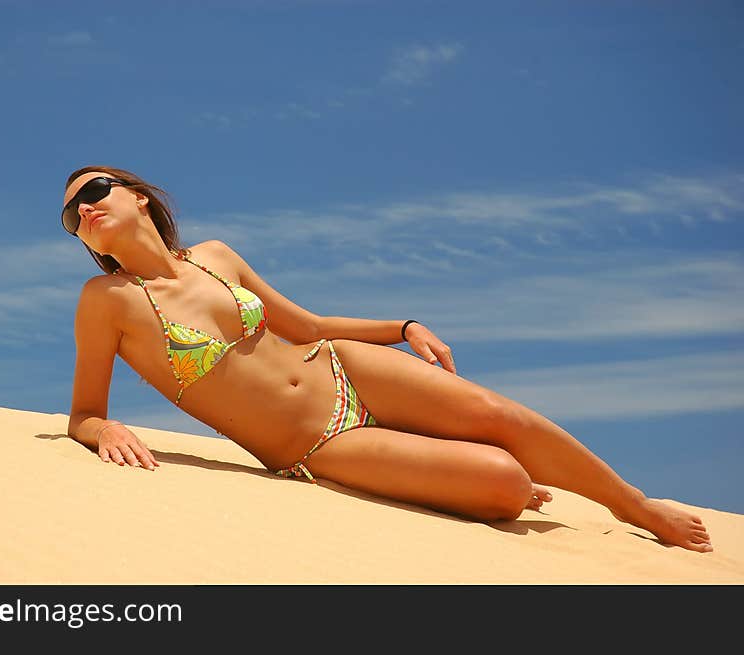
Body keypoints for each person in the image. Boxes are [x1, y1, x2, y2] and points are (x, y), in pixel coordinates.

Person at [62, 165, 712, 553]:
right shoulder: (107, 300)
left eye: (93, 190)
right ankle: (459, 467)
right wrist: (104, 428)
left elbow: (306, 324)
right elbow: (84, 413)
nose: (84, 208)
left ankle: (634, 504)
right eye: (72, 216)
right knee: (506, 484)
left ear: (138, 195)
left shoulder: (215, 256)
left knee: (497, 412)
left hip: (340, 365)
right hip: (316, 446)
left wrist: (402, 326)